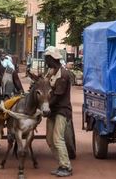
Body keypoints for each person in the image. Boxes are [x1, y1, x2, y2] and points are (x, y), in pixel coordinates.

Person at [44, 46, 73, 177]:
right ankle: (61, 164)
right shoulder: (51, 71)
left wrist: (44, 107)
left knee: (57, 139)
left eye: (46, 58)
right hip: (52, 110)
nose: (45, 60)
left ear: (51, 58)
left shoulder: (63, 75)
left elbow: (57, 95)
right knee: (50, 139)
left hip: (62, 110)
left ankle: (66, 166)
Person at [0, 54, 24, 152]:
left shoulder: (12, 72)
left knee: (12, 115)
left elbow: (20, 89)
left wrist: (19, 98)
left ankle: (14, 141)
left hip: (11, 99)